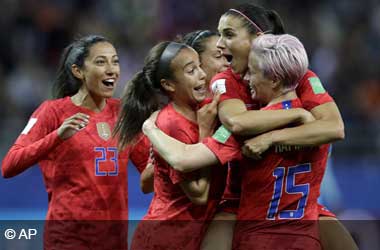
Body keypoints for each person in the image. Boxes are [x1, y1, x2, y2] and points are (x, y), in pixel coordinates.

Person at [143, 3, 357, 250]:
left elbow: (335, 128)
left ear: (258, 39)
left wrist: (271, 138)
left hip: (259, 213)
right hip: (285, 211)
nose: (221, 45)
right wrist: (297, 114)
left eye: (229, 34)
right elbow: (238, 121)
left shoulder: (298, 77)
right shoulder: (246, 82)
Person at [1, 35, 129, 250]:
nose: (111, 69)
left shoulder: (122, 113)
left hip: (114, 240)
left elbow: (148, 169)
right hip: (68, 239)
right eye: (100, 62)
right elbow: (9, 165)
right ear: (78, 71)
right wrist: (57, 136)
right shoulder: (52, 112)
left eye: (115, 61)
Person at [114, 41, 225, 250]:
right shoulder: (172, 124)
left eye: (200, 66)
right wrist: (206, 133)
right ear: (169, 85)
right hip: (163, 239)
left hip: (190, 237)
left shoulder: (202, 109)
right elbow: (199, 194)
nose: (202, 74)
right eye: (191, 70)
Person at [127, 29, 230, 195]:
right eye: (218, 56)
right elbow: (146, 183)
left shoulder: (229, 104)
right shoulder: (176, 117)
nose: (227, 63)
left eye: (228, 56)